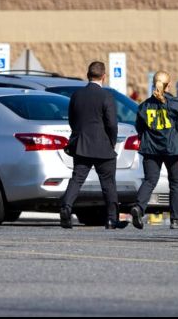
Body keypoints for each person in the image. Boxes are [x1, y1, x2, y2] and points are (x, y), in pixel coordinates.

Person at [129, 71, 178, 230]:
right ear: (169, 85)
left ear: (154, 84)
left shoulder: (144, 106)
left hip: (151, 149)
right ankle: (176, 219)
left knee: (149, 180)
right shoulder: (176, 104)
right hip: (172, 150)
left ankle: (138, 207)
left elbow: (139, 127)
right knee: (175, 183)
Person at [60, 61, 124, 230]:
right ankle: (111, 219)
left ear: (88, 75)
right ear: (104, 76)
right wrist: (111, 142)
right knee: (108, 183)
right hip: (103, 146)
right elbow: (112, 124)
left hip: (82, 145)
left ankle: (65, 208)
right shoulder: (107, 96)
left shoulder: (77, 95)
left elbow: (73, 120)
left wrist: (79, 136)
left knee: (77, 179)